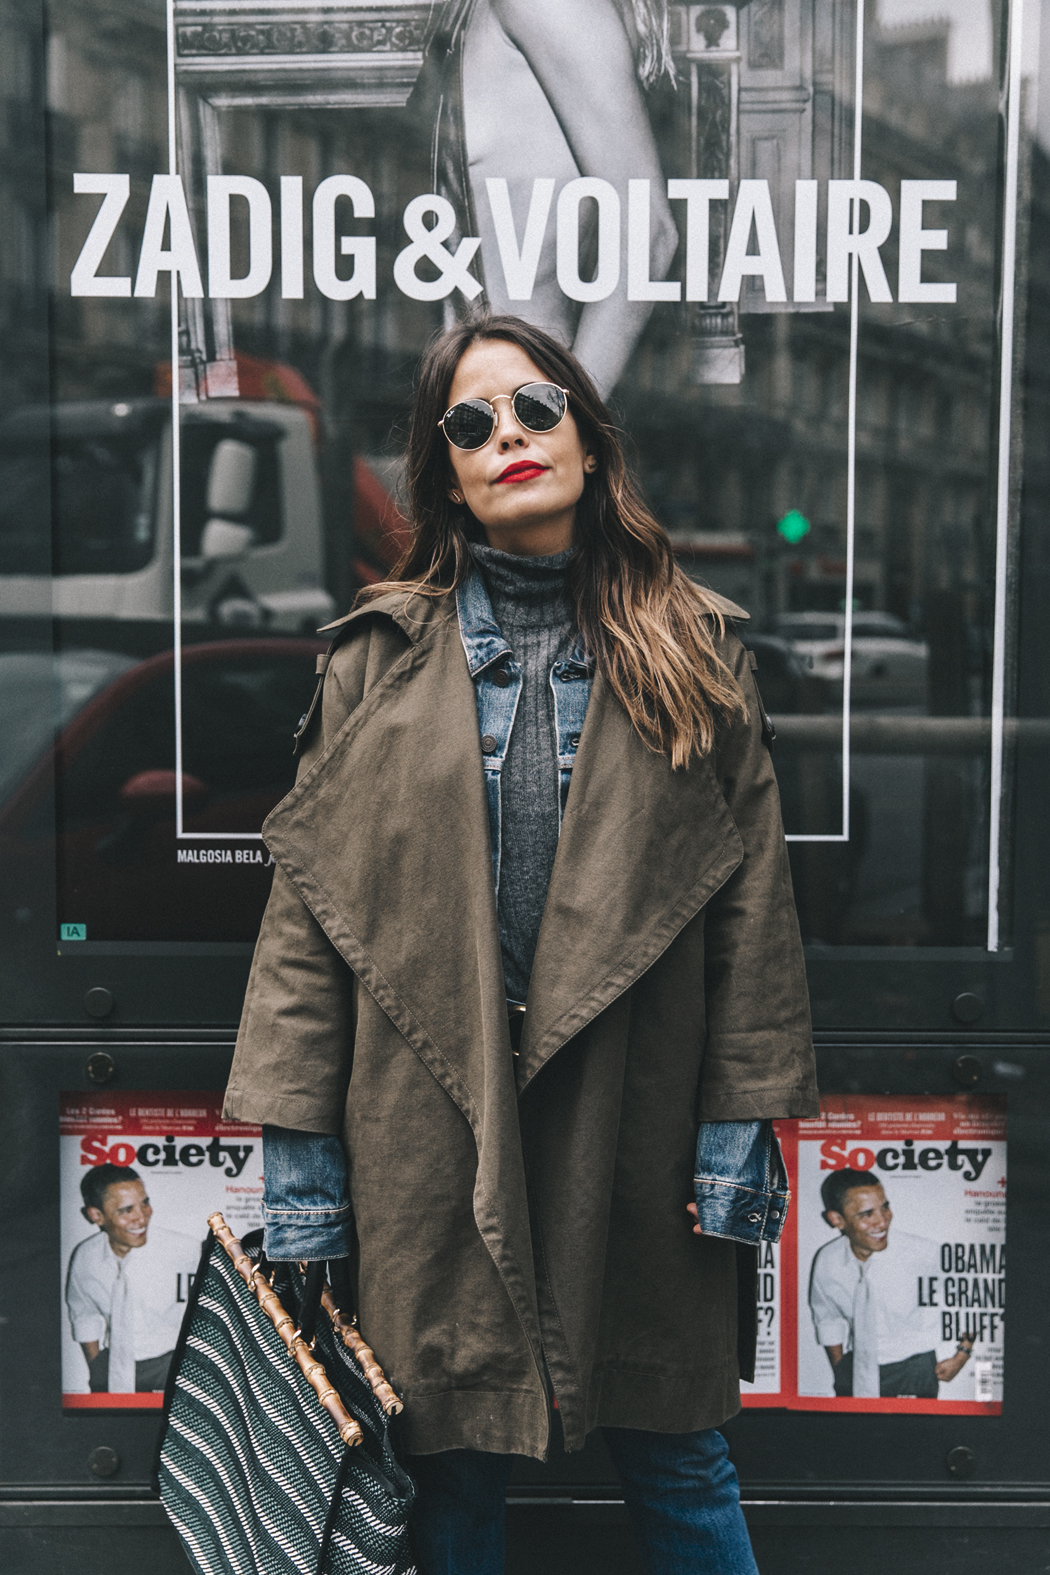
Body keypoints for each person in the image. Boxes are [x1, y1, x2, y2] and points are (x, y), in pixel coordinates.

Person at [224, 314, 817, 1573]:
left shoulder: (697, 651)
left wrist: (733, 1139)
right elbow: (305, 935)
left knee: (678, 1447)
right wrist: (303, 1173)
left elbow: (752, 914)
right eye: (470, 425)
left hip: (634, 1115)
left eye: (536, 409)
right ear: (447, 475)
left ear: (590, 444)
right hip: (431, 1119)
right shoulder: (373, 663)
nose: (508, 439)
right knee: (448, 1472)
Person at [418, 0, 678, 396]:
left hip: (525, 408)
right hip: (488, 410)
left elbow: (649, 234)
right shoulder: (475, 13)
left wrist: (563, 425)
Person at [808, 1168, 973, 1399]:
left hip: (914, 1369)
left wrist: (962, 1355)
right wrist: (840, 1370)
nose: (883, 1221)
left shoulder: (924, 1254)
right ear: (837, 1219)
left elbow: (974, 1294)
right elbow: (827, 1317)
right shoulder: (828, 1261)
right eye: (867, 1214)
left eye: (884, 1207)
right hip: (855, 1368)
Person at [65, 1164, 200, 1395]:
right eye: (126, 1210)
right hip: (111, 1365)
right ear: (96, 1215)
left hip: (171, 1363)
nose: (142, 1217)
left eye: (144, 1203)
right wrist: (96, 1367)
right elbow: (83, 1312)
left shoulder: (185, 1251)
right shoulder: (85, 1258)